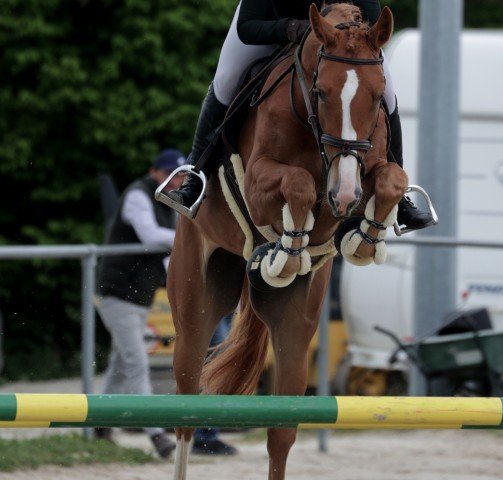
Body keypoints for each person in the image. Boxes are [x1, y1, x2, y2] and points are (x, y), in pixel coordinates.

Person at [160, 0, 434, 231]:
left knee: (386, 91)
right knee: (227, 77)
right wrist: (293, 28)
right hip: (274, 30)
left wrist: (345, 36)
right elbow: (247, 27)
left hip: (337, 46)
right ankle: (195, 174)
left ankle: (399, 199)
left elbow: (373, 21)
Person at [95, 149, 186, 458]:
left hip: (136, 295)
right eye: (171, 175)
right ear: (155, 172)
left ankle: (99, 427)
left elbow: (164, 251)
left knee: (121, 366)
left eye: (179, 175)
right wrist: (189, 238)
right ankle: (157, 436)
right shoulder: (137, 195)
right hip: (117, 293)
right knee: (136, 363)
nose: (177, 181)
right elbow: (150, 234)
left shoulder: (164, 200)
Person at [191, 313, 238, 455]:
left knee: (216, 363)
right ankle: (204, 436)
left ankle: (206, 435)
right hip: (215, 299)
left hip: (227, 300)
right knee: (217, 362)